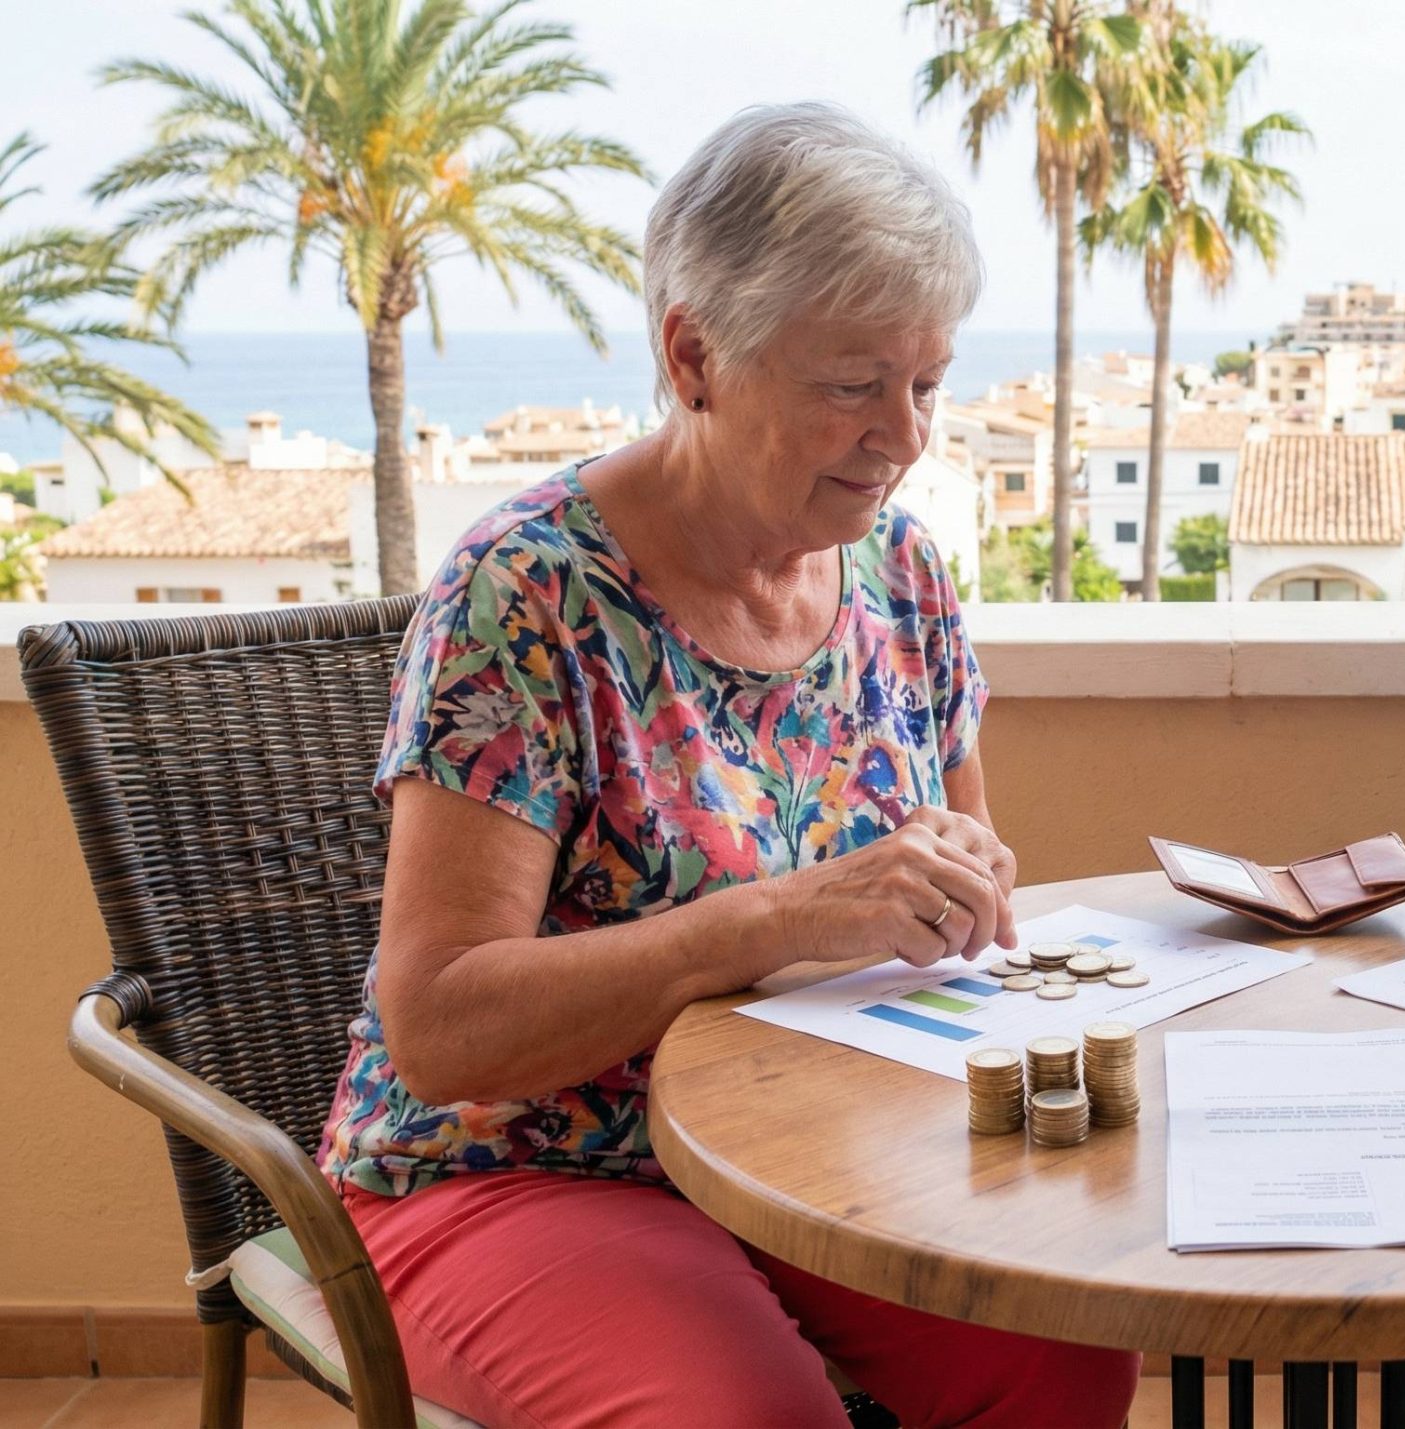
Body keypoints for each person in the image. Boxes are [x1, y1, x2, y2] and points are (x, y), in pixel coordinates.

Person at [316, 103, 1140, 1428]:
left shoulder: (899, 570)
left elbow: (958, 886)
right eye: (853, 384)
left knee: (1062, 1351)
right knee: (752, 1415)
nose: (907, 433)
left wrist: (956, 888)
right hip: (527, 1167)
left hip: (812, 1144)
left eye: (927, 382)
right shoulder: (526, 597)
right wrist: (763, 921)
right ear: (695, 354)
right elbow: (441, 1026)